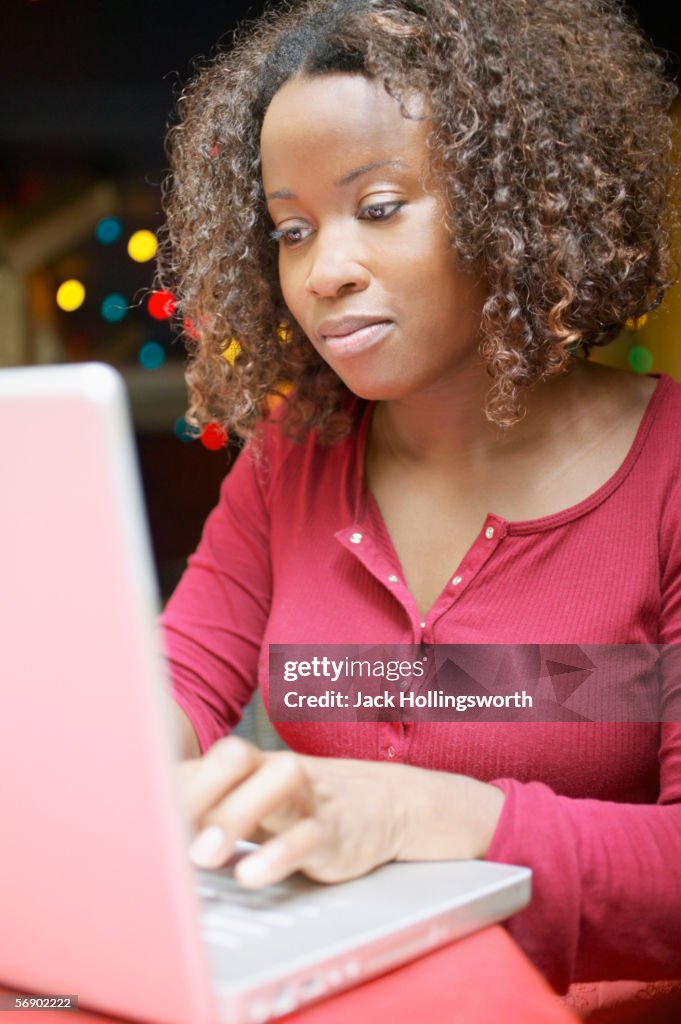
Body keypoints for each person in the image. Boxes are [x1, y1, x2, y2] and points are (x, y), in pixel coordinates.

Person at [157, 0, 681, 1010]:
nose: (324, 271)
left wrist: (411, 812)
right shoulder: (290, 465)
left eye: (381, 206)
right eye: (292, 230)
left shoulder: (664, 475)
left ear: (512, 203)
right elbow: (176, 684)